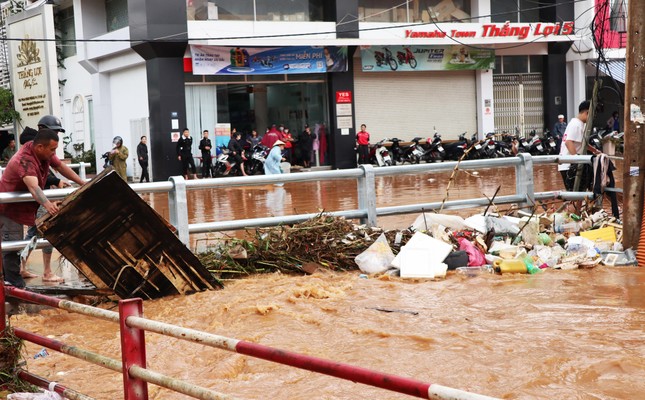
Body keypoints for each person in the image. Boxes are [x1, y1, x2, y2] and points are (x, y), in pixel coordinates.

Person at [0, 129, 85, 288]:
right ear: (40, 147)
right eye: (52, 149)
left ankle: (11, 282)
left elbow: (61, 167)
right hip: (8, 209)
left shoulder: (42, 153)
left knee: (15, 244)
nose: (54, 153)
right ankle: (14, 287)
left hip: (23, 209)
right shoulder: (25, 160)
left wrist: (82, 183)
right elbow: (34, 187)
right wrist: (48, 205)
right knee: (11, 246)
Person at [558, 100, 600, 191]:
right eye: (592, 115)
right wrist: (576, 161)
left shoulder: (579, 124)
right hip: (569, 166)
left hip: (570, 165)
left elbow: (582, 143)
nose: (592, 118)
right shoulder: (576, 124)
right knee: (575, 195)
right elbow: (568, 142)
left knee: (581, 193)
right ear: (587, 112)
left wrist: (595, 151)